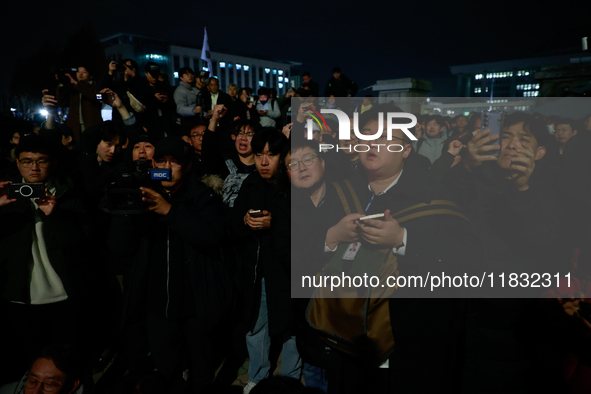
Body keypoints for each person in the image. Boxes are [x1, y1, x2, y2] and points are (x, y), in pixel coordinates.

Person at [445, 111, 563, 392]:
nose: (512, 144)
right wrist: (466, 167)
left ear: (540, 152)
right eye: (507, 136)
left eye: (524, 139)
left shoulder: (549, 189)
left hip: (513, 317)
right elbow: (444, 205)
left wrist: (522, 187)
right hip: (464, 305)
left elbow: (542, 242)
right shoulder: (480, 177)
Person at [108, 137, 229, 393]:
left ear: (186, 166)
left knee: (202, 371)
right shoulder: (142, 191)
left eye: (175, 162)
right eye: (161, 161)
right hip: (156, 303)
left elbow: (211, 236)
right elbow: (117, 248)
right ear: (153, 163)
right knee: (166, 371)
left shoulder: (202, 194)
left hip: (195, 302)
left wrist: (170, 211)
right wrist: (127, 211)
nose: (167, 167)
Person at [0, 136, 90, 384]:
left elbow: (81, 243)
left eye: (41, 161)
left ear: (52, 163)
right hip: (16, 294)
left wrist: (55, 214)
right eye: (27, 161)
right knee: (20, 365)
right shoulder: (5, 193)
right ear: (17, 164)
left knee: (60, 367)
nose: (34, 167)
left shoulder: (67, 192)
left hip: (61, 295)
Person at [229, 129, 300, 393]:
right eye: (259, 154)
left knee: (292, 327)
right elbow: (233, 225)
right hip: (257, 270)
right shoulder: (251, 184)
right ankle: (257, 376)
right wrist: (246, 221)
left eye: (271, 154)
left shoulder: (294, 185)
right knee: (256, 324)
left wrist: (276, 223)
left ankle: (291, 379)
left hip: (287, 270)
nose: (264, 162)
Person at [56, 65, 102, 142]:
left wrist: (77, 84)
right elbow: (61, 102)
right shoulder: (73, 88)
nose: (80, 74)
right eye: (78, 72)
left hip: (90, 126)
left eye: (84, 72)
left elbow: (95, 97)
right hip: (74, 127)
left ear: (91, 76)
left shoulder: (94, 87)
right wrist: (62, 84)